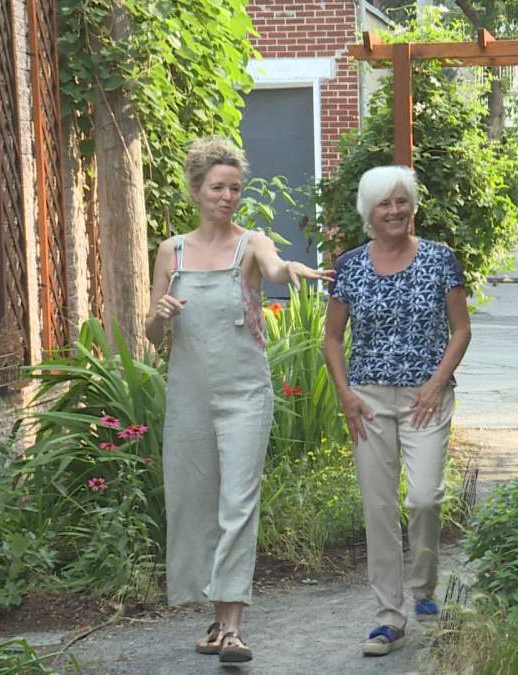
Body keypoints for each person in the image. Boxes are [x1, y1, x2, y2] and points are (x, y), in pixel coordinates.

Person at [145, 137, 333, 664]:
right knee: (193, 502)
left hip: (245, 393)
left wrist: (289, 270)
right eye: (218, 188)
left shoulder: (251, 244)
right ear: (197, 191)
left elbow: (272, 267)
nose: (228, 197)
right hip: (188, 396)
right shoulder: (171, 252)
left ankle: (232, 626)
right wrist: (160, 313)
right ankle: (212, 615)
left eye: (235, 188)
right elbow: (152, 338)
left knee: (238, 503)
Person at [324, 165, 472, 657]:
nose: (394, 211)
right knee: (379, 507)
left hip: (425, 399)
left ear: (412, 206)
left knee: (425, 497)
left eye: (401, 201)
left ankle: (424, 588)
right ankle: (389, 617)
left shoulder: (440, 260)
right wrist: (345, 393)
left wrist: (435, 384)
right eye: (384, 203)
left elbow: (461, 330)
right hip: (367, 400)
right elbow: (331, 337)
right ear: (369, 212)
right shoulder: (350, 267)